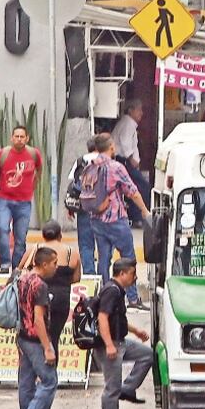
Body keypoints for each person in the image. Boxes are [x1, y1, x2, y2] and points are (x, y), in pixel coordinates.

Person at [92, 257, 154, 409]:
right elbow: (102, 318)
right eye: (132, 274)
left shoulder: (118, 290)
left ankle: (127, 388)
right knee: (111, 389)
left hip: (121, 342)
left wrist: (136, 331)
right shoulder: (111, 291)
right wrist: (109, 345)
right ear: (122, 273)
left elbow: (118, 319)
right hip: (111, 345)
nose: (135, 278)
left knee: (147, 355)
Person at [90, 133, 151, 310]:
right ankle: (132, 298)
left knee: (103, 259)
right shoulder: (115, 167)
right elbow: (132, 191)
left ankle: (105, 295)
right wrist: (144, 210)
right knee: (128, 257)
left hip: (96, 219)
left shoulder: (90, 166)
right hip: (115, 219)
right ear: (111, 147)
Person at [15, 247, 60, 409]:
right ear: (44, 264)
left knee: (26, 381)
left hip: (22, 336)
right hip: (34, 339)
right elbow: (38, 320)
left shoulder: (22, 279)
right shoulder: (40, 286)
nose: (56, 267)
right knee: (49, 381)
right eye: (54, 263)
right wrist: (47, 347)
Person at [18, 221, 81, 361]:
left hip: (36, 300)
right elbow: (76, 278)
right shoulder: (72, 253)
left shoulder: (35, 250)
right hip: (61, 300)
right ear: (60, 235)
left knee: (35, 337)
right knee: (54, 338)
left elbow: (20, 270)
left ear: (43, 235)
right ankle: (51, 367)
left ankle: (38, 368)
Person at [0, 126, 42, 274]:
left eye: (22, 137)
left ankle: (17, 267)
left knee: (20, 238)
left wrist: (32, 187)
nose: (19, 139)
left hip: (24, 203)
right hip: (4, 200)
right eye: (16, 136)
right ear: (12, 138)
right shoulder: (3, 154)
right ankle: (4, 264)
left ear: (27, 138)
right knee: (3, 229)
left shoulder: (33, 154)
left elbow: (39, 171)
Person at [111, 100, 152, 226]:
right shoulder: (128, 123)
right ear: (130, 110)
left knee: (132, 188)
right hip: (124, 161)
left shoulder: (128, 123)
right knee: (141, 187)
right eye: (138, 110)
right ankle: (139, 217)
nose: (141, 113)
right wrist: (131, 159)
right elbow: (125, 143)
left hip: (124, 161)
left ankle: (135, 216)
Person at [66, 137, 99, 274]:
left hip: (84, 206)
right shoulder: (107, 161)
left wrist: (70, 207)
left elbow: (73, 184)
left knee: (86, 244)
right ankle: (103, 275)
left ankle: (90, 274)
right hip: (103, 208)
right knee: (104, 244)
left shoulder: (80, 161)